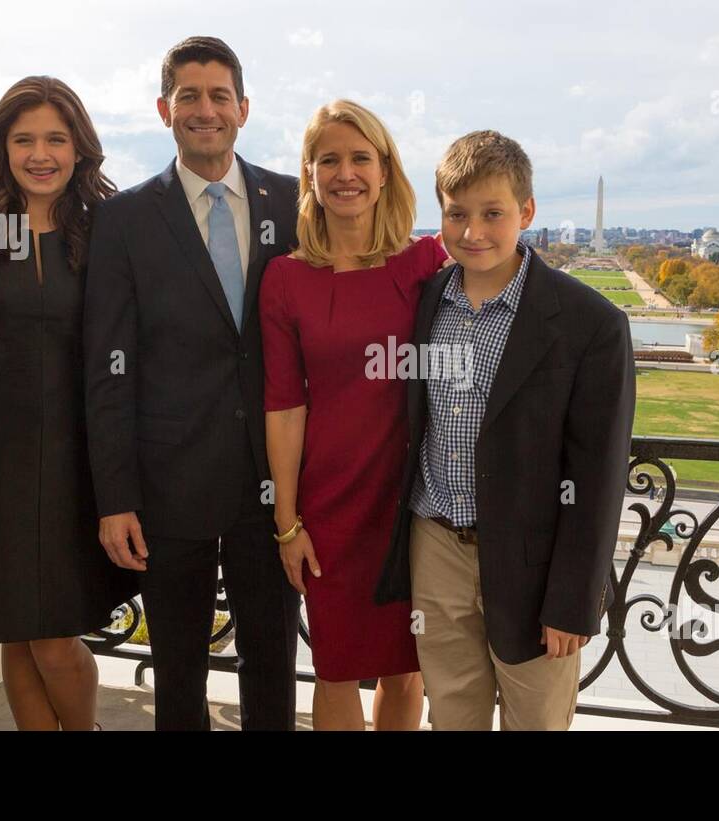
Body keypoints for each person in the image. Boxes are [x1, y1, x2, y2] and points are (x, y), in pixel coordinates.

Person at [375, 131, 636, 730]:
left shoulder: (590, 324)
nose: (473, 232)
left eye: (493, 213)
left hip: (536, 563)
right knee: (452, 718)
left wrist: (574, 601)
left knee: (536, 722)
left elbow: (597, 480)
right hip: (436, 547)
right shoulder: (425, 302)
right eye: (456, 214)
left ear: (527, 212)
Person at [84, 36, 301, 731]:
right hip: (166, 486)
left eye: (218, 96)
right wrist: (115, 495)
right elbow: (106, 366)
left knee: (272, 660)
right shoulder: (123, 220)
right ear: (163, 109)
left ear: (243, 107)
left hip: (278, 483)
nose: (204, 110)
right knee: (179, 667)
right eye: (188, 96)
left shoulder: (295, 202)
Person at [0, 76, 136, 731]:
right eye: (24, 139)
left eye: (56, 138)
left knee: (53, 636)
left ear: (80, 148)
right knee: (17, 633)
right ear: (2, 145)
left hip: (85, 461)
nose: (40, 153)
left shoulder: (113, 228)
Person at [261, 100, 447, 730]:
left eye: (361, 157)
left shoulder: (426, 264)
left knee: (406, 666)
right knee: (335, 666)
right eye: (329, 159)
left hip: (413, 501)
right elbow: (284, 405)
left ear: (386, 170)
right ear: (309, 174)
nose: (346, 173)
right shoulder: (285, 279)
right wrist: (287, 522)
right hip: (330, 506)